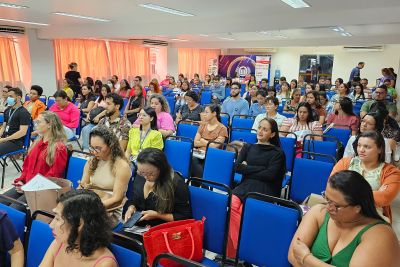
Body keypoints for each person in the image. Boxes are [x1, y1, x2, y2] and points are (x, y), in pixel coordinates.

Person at [288, 170, 399, 267]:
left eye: (336, 205)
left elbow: (299, 256)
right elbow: (293, 255)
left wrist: (306, 258)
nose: (328, 207)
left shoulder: (379, 234)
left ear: (357, 208)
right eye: (327, 198)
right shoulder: (319, 212)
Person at [227, 118, 286, 258]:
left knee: (244, 209)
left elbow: (271, 175)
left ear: (272, 134)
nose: (260, 131)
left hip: (265, 188)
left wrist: (248, 168)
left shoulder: (277, 153)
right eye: (259, 127)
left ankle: (238, 251)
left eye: (265, 129)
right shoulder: (248, 147)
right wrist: (261, 168)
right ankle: (239, 248)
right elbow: (237, 167)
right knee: (231, 203)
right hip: (245, 186)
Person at [2, 111, 67, 210]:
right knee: (2, 201)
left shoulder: (58, 148)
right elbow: (27, 166)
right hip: (27, 185)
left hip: (41, 190)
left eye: (39, 122)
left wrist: (29, 187)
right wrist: (21, 181)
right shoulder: (37, 143)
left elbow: (53, 176)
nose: (35, 124)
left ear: (49, 124)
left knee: (14, 209)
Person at [333, 131, 400, 221]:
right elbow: (332, 187)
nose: (361, 150)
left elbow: (384, 198)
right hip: (341, 210)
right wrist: (372, 193)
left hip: (371, 215)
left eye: (367, 147)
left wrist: (346, 190)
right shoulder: (345, 162)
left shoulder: (391, 172)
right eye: (359, 145)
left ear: (380, 149)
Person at [40, 190, 117, 267]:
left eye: (57, 219)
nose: (51, 225)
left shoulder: (104, 264)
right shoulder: (59, 243)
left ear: (80, 224)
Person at [124, 148, 192, 228]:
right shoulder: (140, 176)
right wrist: (131, 207)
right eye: (142, 173)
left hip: (162, 229)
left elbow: (184, 216)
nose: (146, 177)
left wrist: (158, 215)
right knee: (117, 238)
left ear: (161, 169)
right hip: (139, 225)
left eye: (151, 174)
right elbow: (133, 199)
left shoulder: (176, 183)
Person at [79, 126, 131, 227]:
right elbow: (82, 187)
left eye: (98, 148)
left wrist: (93, 208)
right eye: (92, 147)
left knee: (78, 224)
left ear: (110, 145)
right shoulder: (91, 162)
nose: (94, 152)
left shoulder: (121, 166)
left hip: (110, 210)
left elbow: (117, 198)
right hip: (92, 203)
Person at [191, 104, 228, 178]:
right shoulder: (203, 125)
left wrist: (202, 140)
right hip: (199, 154)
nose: (204, 115)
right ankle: (203, 183)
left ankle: (202, 184)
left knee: (193, 162)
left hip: (212, 155)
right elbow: (195, 143)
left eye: (206, 112)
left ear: (214, 113)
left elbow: (214, 147)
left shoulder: (222, 128)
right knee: (192, 160)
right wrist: (208, 143)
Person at [0, 87, 30, 154]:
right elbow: (4, 126)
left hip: (15, 142)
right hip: (5, 138)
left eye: (11, 96)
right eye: (8, 97)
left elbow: (22, 132)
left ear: (18, 98)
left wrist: (5, 139)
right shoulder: (7, 110)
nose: (8, 99)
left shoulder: (24, 112)